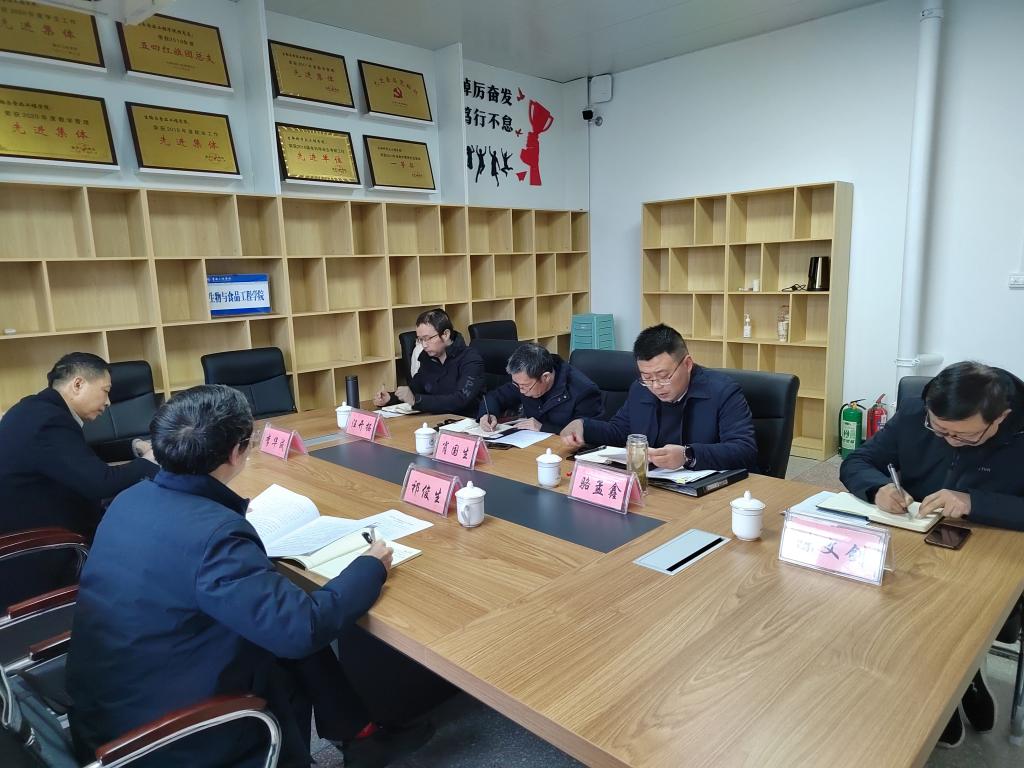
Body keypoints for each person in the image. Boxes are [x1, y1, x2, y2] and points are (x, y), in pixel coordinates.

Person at [67, 385, 428, 767]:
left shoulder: (130, 499)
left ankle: (360, 733)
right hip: (163, 735)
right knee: (294, 628)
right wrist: (371, 566)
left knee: (281, 605)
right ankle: (353, 738)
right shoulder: (214, 535)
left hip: (107, 703)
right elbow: (303, 628)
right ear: (237, 452)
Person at [840, 360, 1024, 748]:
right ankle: (946, 683)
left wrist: (975, 502)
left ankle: (958, 681)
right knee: (864, 594)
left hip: (992, 552)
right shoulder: (915, 414)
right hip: (915, 542)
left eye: (965, 436)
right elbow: (857, 461)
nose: (950, 442)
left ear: (1001, 418)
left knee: (948, 613)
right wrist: (877, 488)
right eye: (939, 431)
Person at [0, 353, 159, 605]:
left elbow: (78, 455)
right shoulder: (50, 421)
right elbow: (101, 484)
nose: (108, 402)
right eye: (105, 391)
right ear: (78, 384)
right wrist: (149, 462)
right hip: (44, 548)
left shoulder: (35, 409)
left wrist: (133, 446)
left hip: (35, 522)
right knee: (144, 534)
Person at [560, 324, 758, 471]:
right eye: (646, 377)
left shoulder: (723, 391)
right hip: (655, 484)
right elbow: (620, 432)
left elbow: (744, 450)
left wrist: (688, 455)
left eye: (663, 376)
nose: (655, 386)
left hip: (707, 492)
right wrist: (583, 425)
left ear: (687, 364)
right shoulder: (640, 389)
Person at [373, 308, 484, 417]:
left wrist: (416, 400)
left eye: (428, 338)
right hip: (437, 418)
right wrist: (390, 398)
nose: (424, 345)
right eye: (420, 339)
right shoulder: (427, 357)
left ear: (445, 334)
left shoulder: (470, 358)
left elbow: (461, 399)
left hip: (466, 420)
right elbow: (416, 387)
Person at [477, 342, 602, 433]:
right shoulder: (523, 380)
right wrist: (487, 414)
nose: (520, 390)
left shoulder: (583, 391)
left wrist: (543, 428)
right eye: (517, 384)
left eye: (525, 386)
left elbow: (587, 433)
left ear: (545, 377)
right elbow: (495, 397)